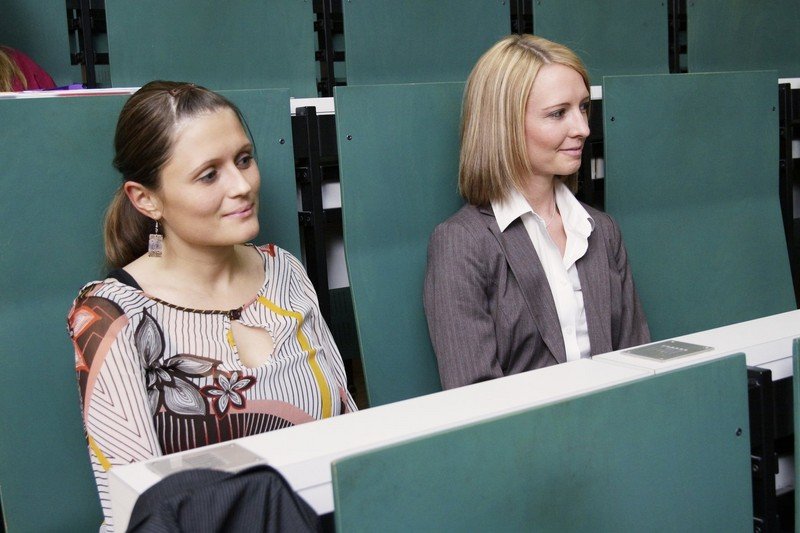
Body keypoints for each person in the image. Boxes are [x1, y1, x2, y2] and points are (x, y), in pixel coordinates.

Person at [67, 81, 356, 529]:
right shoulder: (112, 314)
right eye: (208, 175)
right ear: (146, 199)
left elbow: (348, 429)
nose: (242, 186)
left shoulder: (285, 271)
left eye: (244, 159)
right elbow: (139, 510)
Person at [424, 34, 650, 390]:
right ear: (505, 125)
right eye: (558, 113)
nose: (583, 129)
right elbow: (474, 397)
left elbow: (637, 364)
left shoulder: (602, 229)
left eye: (583, 107)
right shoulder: (461, 243)